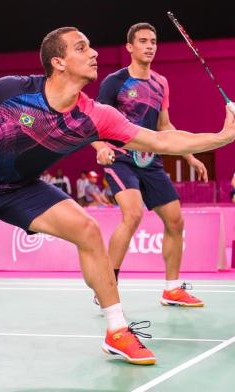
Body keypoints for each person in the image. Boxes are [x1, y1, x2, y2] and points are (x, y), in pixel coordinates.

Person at [0, 27, 235, 367]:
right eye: (81, 47)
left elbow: (159, 139)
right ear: (58, 62)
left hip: (20, 189)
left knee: (86, 228)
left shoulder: (96, 116)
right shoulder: (14, 90)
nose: (94, 52)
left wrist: (221, 137)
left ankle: (117, 330)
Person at [93, 23, 208, 306]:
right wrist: (100, 148)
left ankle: (172, 289)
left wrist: (189, 155)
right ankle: (106, 286)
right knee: (132, 214)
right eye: (143, 41)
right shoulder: (115, 82)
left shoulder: (160, 83)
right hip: (119, 157)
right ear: (130, 47)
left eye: (153, 41)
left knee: (175, 220)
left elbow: (165, 126)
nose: (149, 46)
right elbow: (94, 123)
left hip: (151, 160)